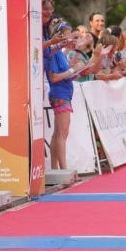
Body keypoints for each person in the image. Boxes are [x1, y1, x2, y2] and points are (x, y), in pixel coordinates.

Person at [46, 21, 86, 171]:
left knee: (58, 133)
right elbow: (54, 77)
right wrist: (72, 71)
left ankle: (56, 169)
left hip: (63, 93)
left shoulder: (60, 54)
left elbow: (64, 74)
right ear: (60, 36)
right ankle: (63, 169)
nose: (71, 40)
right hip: (60, 94)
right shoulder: (54, 54)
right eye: (69, 37)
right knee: (62, 133)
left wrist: (74, 72)